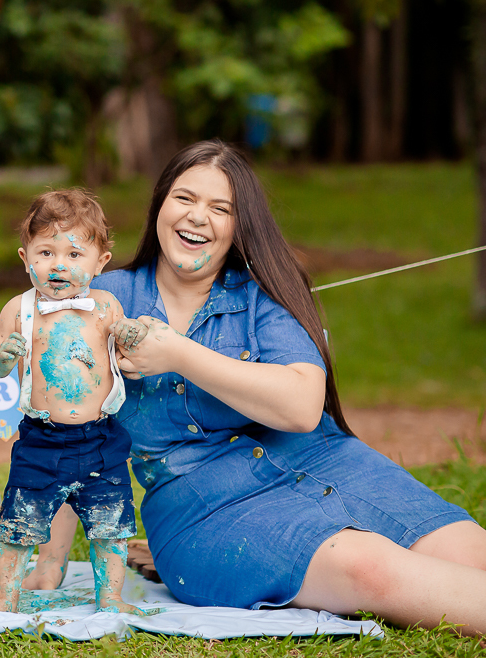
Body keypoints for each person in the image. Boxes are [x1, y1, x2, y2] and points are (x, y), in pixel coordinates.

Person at [26, 139, 486, 633]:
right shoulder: (100, 301)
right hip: (203, 508)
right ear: (160, 205)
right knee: (369, 566)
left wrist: (178, 355)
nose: (197, 216)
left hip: (323, 458)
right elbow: (68, 428)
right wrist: (50, 562)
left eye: (220, 208)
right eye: (184, 198)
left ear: (239, 226)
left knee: (470, 551)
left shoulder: (264, 295)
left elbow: (303, 408)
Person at [0, 189, 147, 614]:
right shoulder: (18, 309)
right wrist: (2, 357)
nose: (59, 264)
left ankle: (111, 597)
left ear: (100, 262)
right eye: (46, 253)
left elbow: (126, 348)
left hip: (101, 439)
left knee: (111, 526)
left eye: (74, 254)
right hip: (42, 440)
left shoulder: (106, 306)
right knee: (19, 523)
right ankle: (6, 597)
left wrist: (129, 335)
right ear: (26, 258)